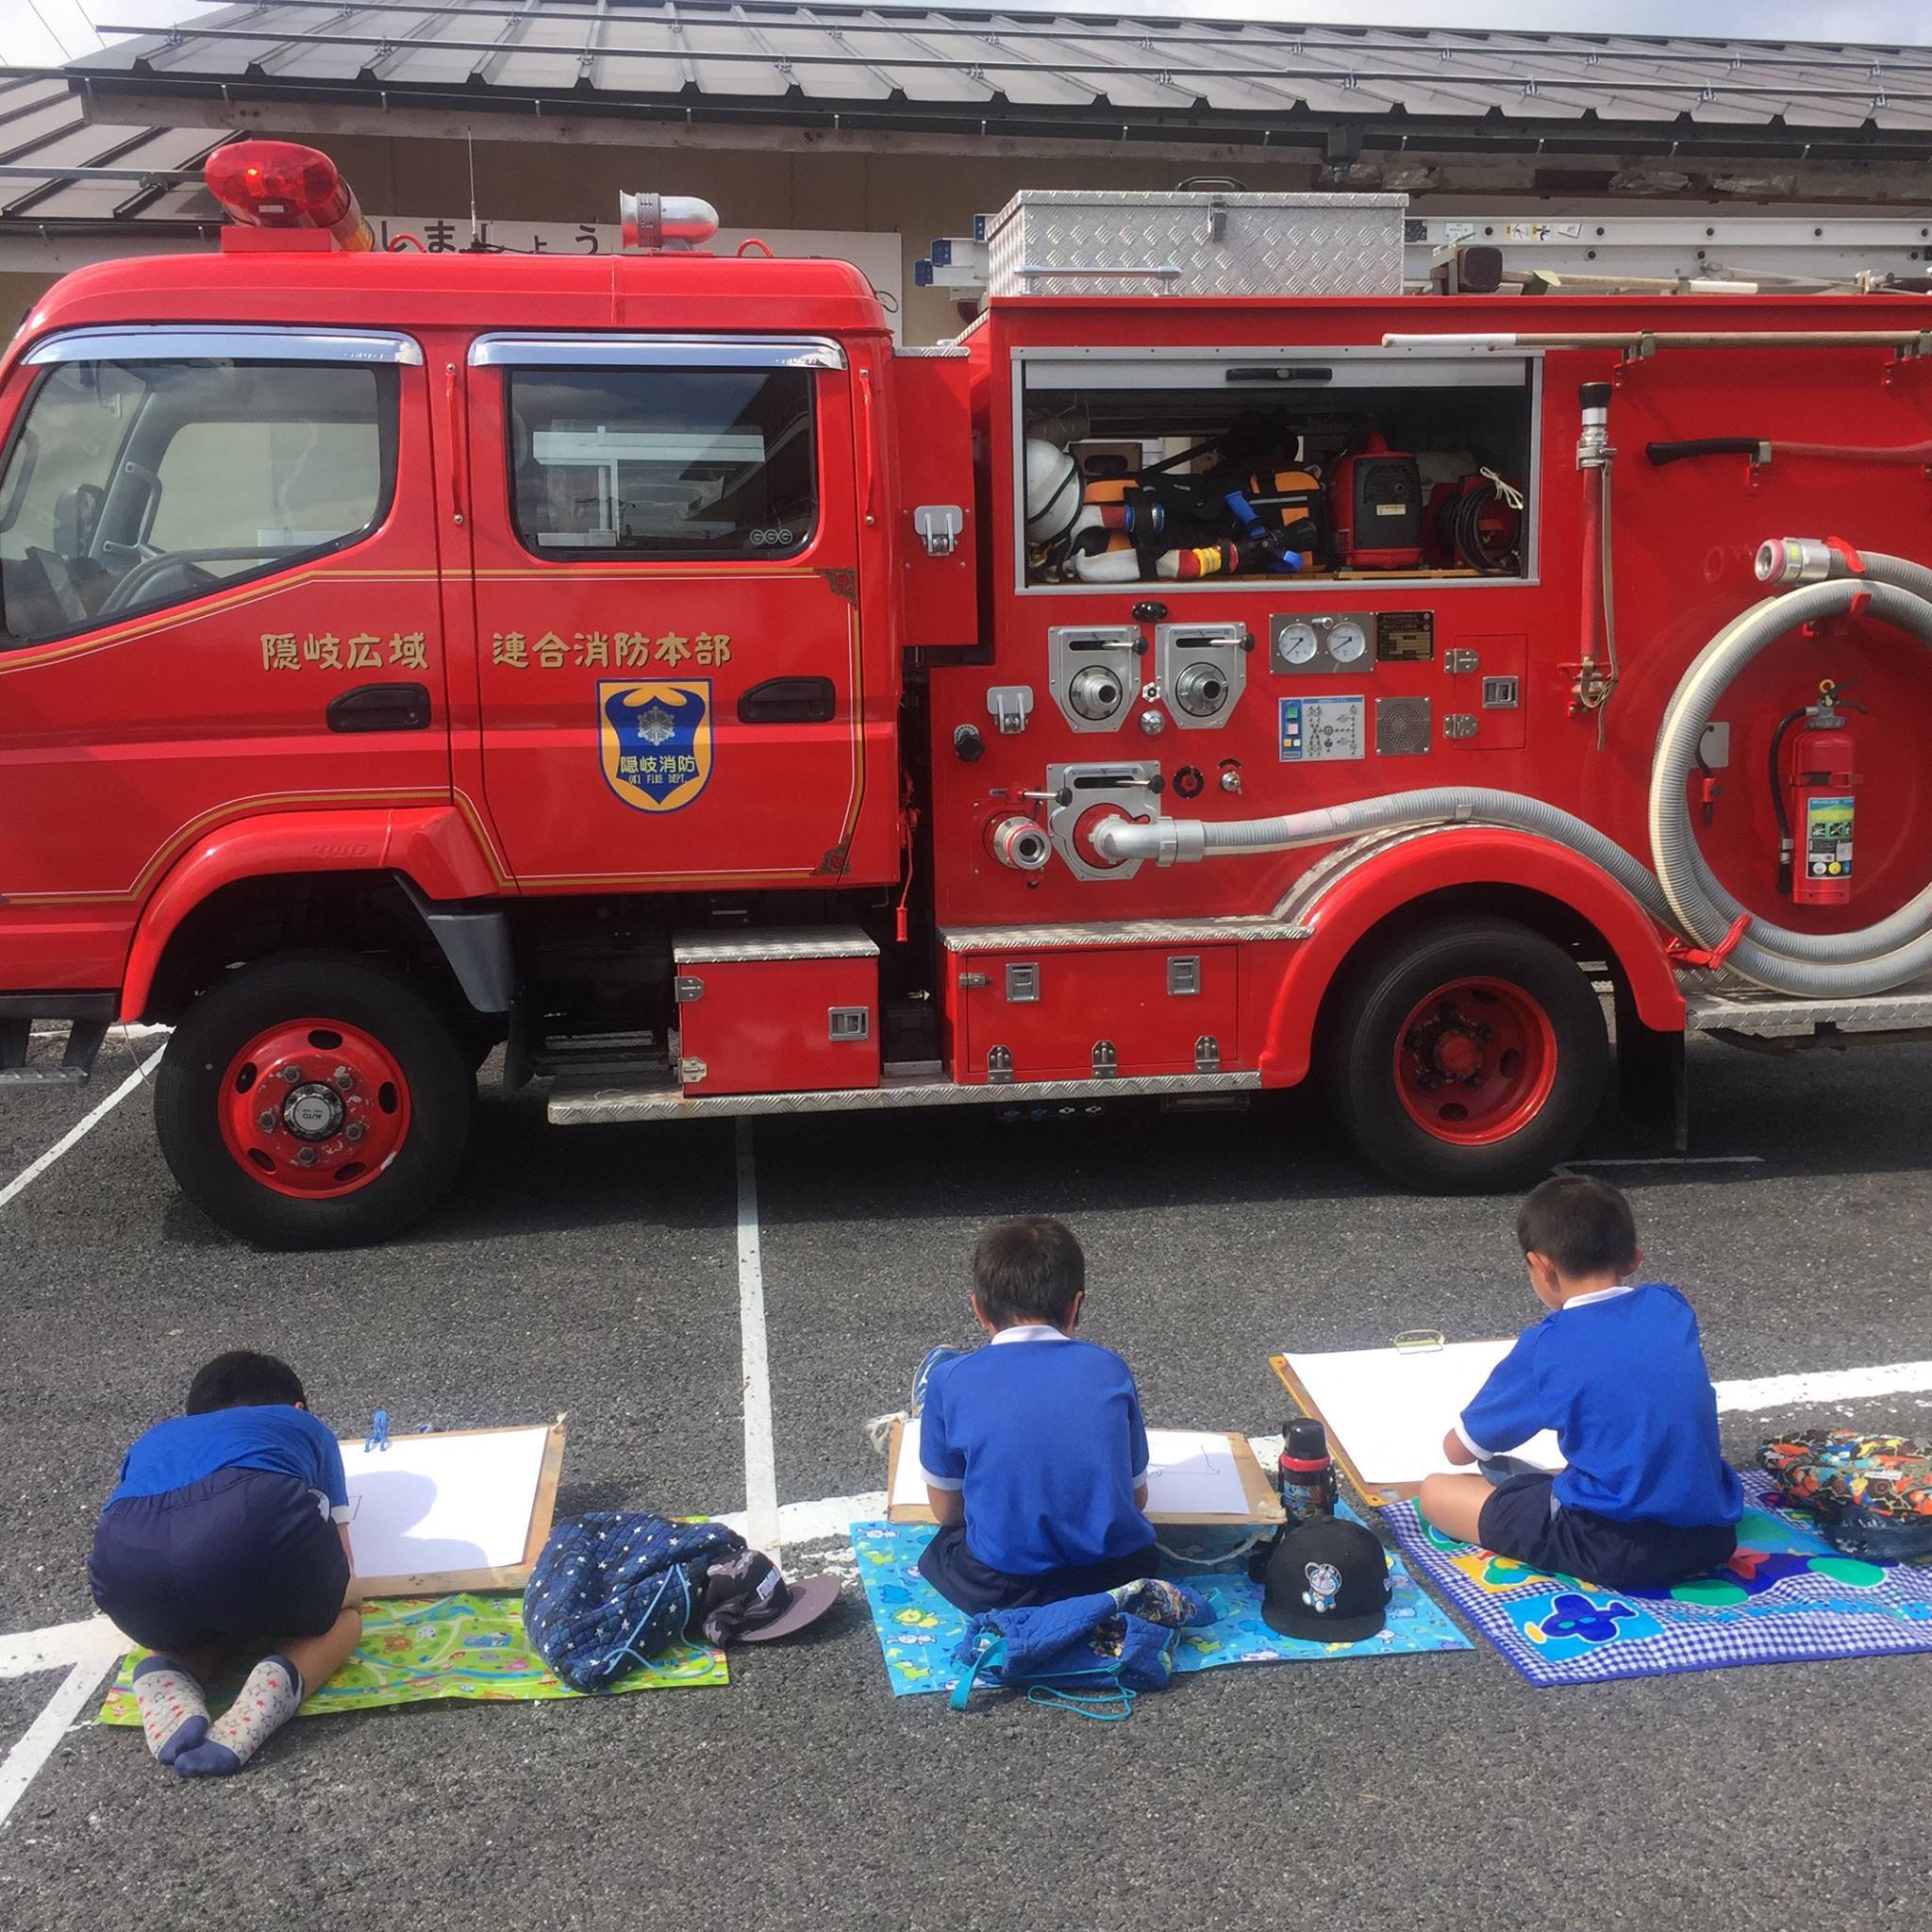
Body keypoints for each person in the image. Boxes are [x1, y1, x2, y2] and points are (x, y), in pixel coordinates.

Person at [1418, 1176, 1742, 1591]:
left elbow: (1460, 1450)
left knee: (1437, 1492)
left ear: (1542, 1266)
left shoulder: (1547, 1346)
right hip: (1711, 1535)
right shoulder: (1670, 1306)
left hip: (1609, 1545)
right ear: (1634, 1259)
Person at [89, 1350, 362, 1777]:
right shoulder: (304, 1425)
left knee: (201, 1612)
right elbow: (344, 1555)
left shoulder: (156, 1436)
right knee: (346, 1607)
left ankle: (170, 1669)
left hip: (123, 1569)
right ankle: (278, 1686)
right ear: (297, 1407)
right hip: (249, 1528)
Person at [915, 1215, 1158, 1612]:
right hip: (1118, 1575)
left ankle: (924, 1416)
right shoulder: (1109, 1368)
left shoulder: (951, 1381)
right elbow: (1137, 1498)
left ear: (978, 1309)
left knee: (943, 1548)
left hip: (1002, 1586)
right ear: (1075, 1306)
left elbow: (946, 1511)